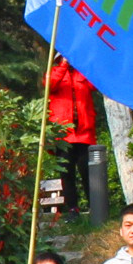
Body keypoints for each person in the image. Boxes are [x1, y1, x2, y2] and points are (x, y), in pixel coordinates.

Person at [46, 58, 98, 216]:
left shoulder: (83, 72)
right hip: (63, 134)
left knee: (87, 171)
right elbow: (49, 85)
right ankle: (72, 209)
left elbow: (96, 84)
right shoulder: (54, 72)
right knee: (66, 173)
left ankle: (95, 208)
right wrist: (63, 65)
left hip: (84, 132)